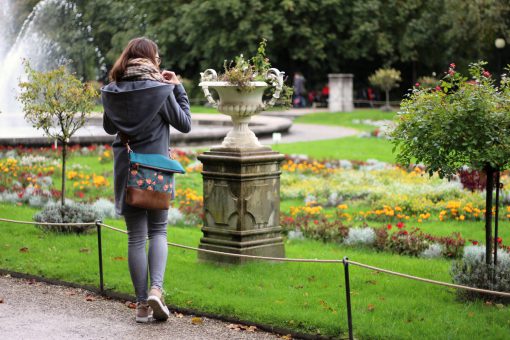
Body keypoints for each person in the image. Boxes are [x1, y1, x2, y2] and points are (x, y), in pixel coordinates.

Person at [101, 37, 191, 323]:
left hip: (127, 169)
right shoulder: (161, 90)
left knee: (136, 238)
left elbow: (108, 127)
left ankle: (141, 306)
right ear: (152, 59)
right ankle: (156, 289)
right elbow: (185, 123)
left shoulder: (114, 89)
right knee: (158, 232)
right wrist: (177, 87)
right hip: (155, 171)